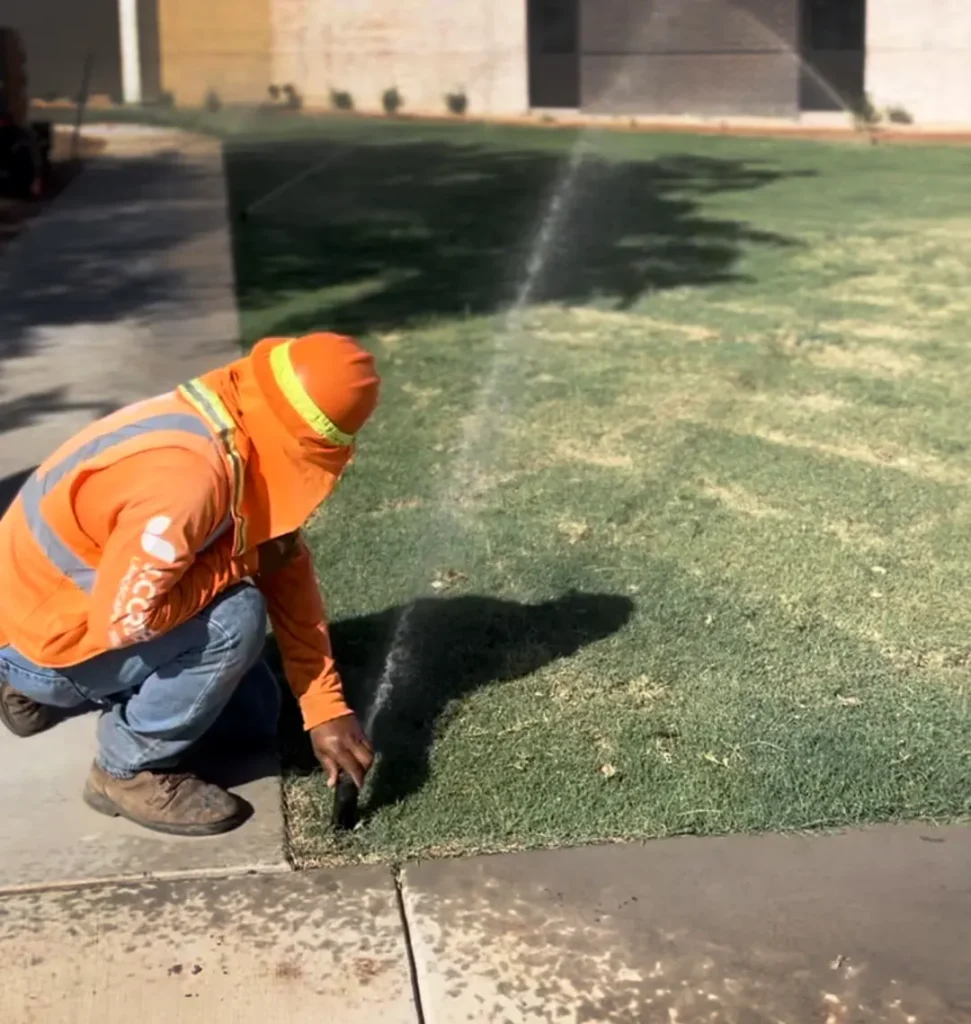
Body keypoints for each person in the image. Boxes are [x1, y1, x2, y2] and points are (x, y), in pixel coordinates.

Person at [0, 333, 379, 837]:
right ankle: (125, 769)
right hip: (47, 634)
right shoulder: (189, 479)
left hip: (41, 605)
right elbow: (126, 621)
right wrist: (236, 559)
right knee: (233, 622)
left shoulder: (232, 420)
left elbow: (285, 565)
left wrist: (324, 706)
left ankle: (28, 689)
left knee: (254, 719)